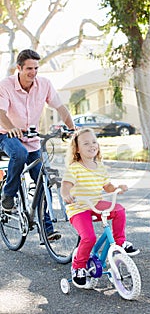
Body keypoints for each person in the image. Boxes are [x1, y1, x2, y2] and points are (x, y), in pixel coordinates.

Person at [0, 49, 75, 239]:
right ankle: (8, 195)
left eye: (36, 68)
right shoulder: (6, 85)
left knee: (43, 181)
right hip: (6, 135)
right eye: (29, 69)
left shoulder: (44, 84)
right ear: (19, 68)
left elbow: (60, 107)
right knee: (19, 154)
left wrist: (73, 129)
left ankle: (47, 230)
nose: (33, 72)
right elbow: (1, 112)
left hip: (32, 139)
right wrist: (10, 128)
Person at [61, 127, 139, 288]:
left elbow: (107, 186)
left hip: (95, 203)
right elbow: (65, 185)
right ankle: (78, 267)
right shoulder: (75, 167)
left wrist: (117, 188)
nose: (92, 146)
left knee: (119, 210)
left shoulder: (100, 166)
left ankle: (120, 242)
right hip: (79, 208)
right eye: (86, 143)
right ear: (77, 149)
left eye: (94, 142)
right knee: (89, 238)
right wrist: (66, 194)